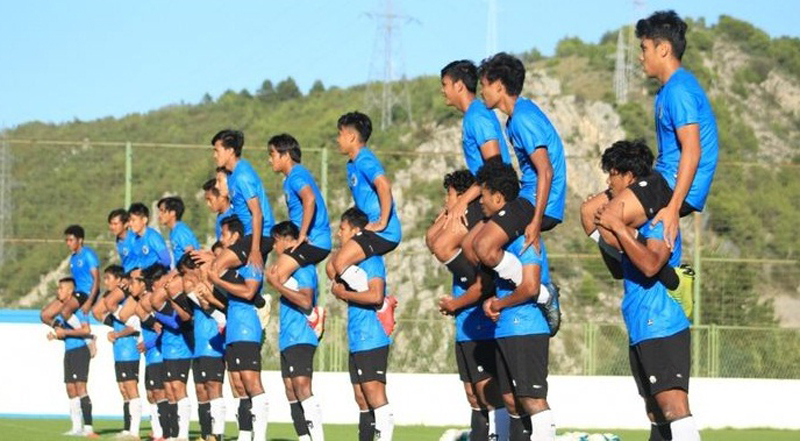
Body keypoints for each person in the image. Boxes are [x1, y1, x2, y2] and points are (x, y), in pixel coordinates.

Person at [582, 10, 717, 301]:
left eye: (644, 48)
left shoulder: (679, 89)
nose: (641, 56)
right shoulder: (667, 90)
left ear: (663, 49)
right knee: (589, 213)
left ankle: (674, 280)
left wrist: (672, 207)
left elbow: (693, 150)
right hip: (663, 176)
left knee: (609, 220)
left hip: (673, 183)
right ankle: (632, 265)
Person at [592, 139, 700, 441]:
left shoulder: (660, 218)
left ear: (629, 177)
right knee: (655, 413)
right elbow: (618, 269)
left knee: (674, 408)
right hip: (641, 324)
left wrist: (620, 227)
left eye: (612, 174)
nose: (609, 183)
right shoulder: (634, 226)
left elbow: (652, 264)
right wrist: (604, 232)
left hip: (662, 323)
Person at [477, 162, 556, 441]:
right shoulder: (502, 239)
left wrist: (497, 304)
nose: (481, 202)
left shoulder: (524, 235)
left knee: (532, 400)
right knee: (511, 400)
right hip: (507, 328)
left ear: (498, 198)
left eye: (483, 196)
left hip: (527, 326)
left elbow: (531, 286)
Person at [475, 52, 567, 290]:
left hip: (538, 202)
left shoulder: (523, 118)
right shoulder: (514, 119)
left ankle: (541, 293)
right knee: (473, 242)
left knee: (484, 246)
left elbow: (545, 171)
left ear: (498, 86)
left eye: (483, 85)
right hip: (528, 197)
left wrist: (535, 222)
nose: (481, 92)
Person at [436, 171, 508, 441]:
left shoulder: (476, 232)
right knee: (472, 395)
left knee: (489, 392)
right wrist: (448, 213)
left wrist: (455, 303)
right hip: (464, 327)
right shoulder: (458, 227)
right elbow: (432, 239)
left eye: (450, 194)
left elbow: (482, 287)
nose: (447, 200)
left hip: (480, 324)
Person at [428, 60, 511, 287]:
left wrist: (462, 202)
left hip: (496, 193)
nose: (442, 90)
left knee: (443, 245)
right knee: (433, 237)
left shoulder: (478, 116)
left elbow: (494, 165)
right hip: (484, 188)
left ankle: (481, 290)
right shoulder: (472, 116)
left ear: (459, 86)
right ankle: (481, 285)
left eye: (444, 84)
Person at [330, 208, 394, 441]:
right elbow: (331, 271)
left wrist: (345, 295)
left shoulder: (372, 260)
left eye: (343, 229)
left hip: (372, 336)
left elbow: (376, 296)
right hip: (357, 338)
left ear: (357, 232)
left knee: (374, 394)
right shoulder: (350, 264)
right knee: (361, 398)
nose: (339, 234)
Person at [208, 216, 270, 441]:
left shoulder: (252, 261)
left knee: (251, 382)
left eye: (223, 234)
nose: (221, 239)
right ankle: (244, 435)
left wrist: (218, 280)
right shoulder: (229, 267)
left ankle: (260, 436)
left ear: (235, 236)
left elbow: (248, 292)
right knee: (237, 385)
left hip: (247, 327)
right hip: (233, 328)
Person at [329, 112, 402, 294]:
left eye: (340, 134)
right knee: (331, 268)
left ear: (351, 136)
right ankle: (366, 296)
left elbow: (384, 185)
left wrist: (383, 221)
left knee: (339, 263)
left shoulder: (364, 159)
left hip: (384, 233)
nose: (337, 139)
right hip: (367, 229)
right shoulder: (351, 164)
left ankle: (380, 303)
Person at [266, 221, 325, 441]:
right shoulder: (287, 269)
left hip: (302, 335)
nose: (274, 247)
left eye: (275, 241)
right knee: (290, 390)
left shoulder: (303, 266)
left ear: (284, 238)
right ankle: (304, 438)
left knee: (302, 386)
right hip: (287, 337)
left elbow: (306, 300)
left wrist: (277, 285)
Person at [267, 133, 332, 286]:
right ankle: (311, 309)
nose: (270, 160)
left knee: (277, 276)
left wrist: (302, 235)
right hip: (308, 241)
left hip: (314, 242)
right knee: (282, 278)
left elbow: (309, 198)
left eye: (272, 155)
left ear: (286, 155)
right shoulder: (292, 177)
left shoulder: (296, 176)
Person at [210, 130, 275, 273]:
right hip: (248, 235)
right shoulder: (233, 175)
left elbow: (257, 213)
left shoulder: (242, 175)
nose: (214, 155)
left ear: (230, 151)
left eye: (217, 150)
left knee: (216, 267)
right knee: (239, 285)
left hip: (260, 235)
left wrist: (255, 250)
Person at [44, 277, 98, 438]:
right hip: (69, 351)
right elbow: (65, 333)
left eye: (61, 288)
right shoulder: (62, 315)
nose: (58, 292)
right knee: (70, 389)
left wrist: (65, 333)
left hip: (80, 351)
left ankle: (88, 428)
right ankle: (76, 427)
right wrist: (56, 336)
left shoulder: (79, 311)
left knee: (81, 388)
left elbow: (86, 330)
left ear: (69, 291)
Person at [157, 196, 200, 266]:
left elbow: (192, 256)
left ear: (172, 213)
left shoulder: (181, 232)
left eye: (162, 211)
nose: (159, 215)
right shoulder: (173, 231)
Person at [128, 203, 172, 270]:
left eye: (133, 220)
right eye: (129, 220)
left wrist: (147, 271)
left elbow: (167, 260)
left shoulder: (153, 237)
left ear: (144, 220)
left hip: (157, 277)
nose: (130, 224)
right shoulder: (134, 239)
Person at [108, 209, 137, 273]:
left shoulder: (135, 238)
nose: (112, 227)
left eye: (115, 224)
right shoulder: (119, 240)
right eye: (111, 224)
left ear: (126, 224)